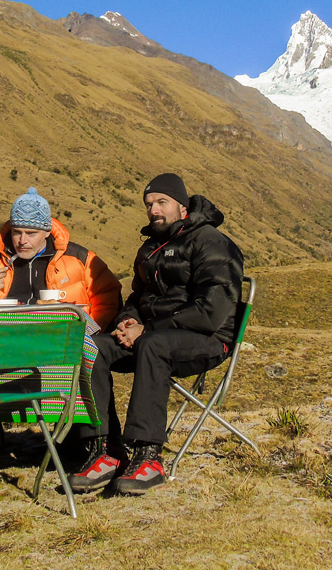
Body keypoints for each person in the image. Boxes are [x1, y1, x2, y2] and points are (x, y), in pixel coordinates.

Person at [70, 173, 243, 495]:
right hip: (154, 333)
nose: (154, 210)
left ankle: (148, 455)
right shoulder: (152, 247)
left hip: (207, 338)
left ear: (181, 204)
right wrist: (126, 321)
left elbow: (211, 311)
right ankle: (104, 449)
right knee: (90, 347)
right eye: (149, 204)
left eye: (162, 202)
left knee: (152, 344)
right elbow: (139, 297)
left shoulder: (212, 242)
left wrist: (146, 328)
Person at [0, 187, 122, 328]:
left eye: (31, 233)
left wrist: (86, 333)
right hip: (2, 340)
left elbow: (109, 299)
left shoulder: (80, 259)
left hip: (62, 342)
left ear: (47, 231)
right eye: (17, 232)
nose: (22, 241)